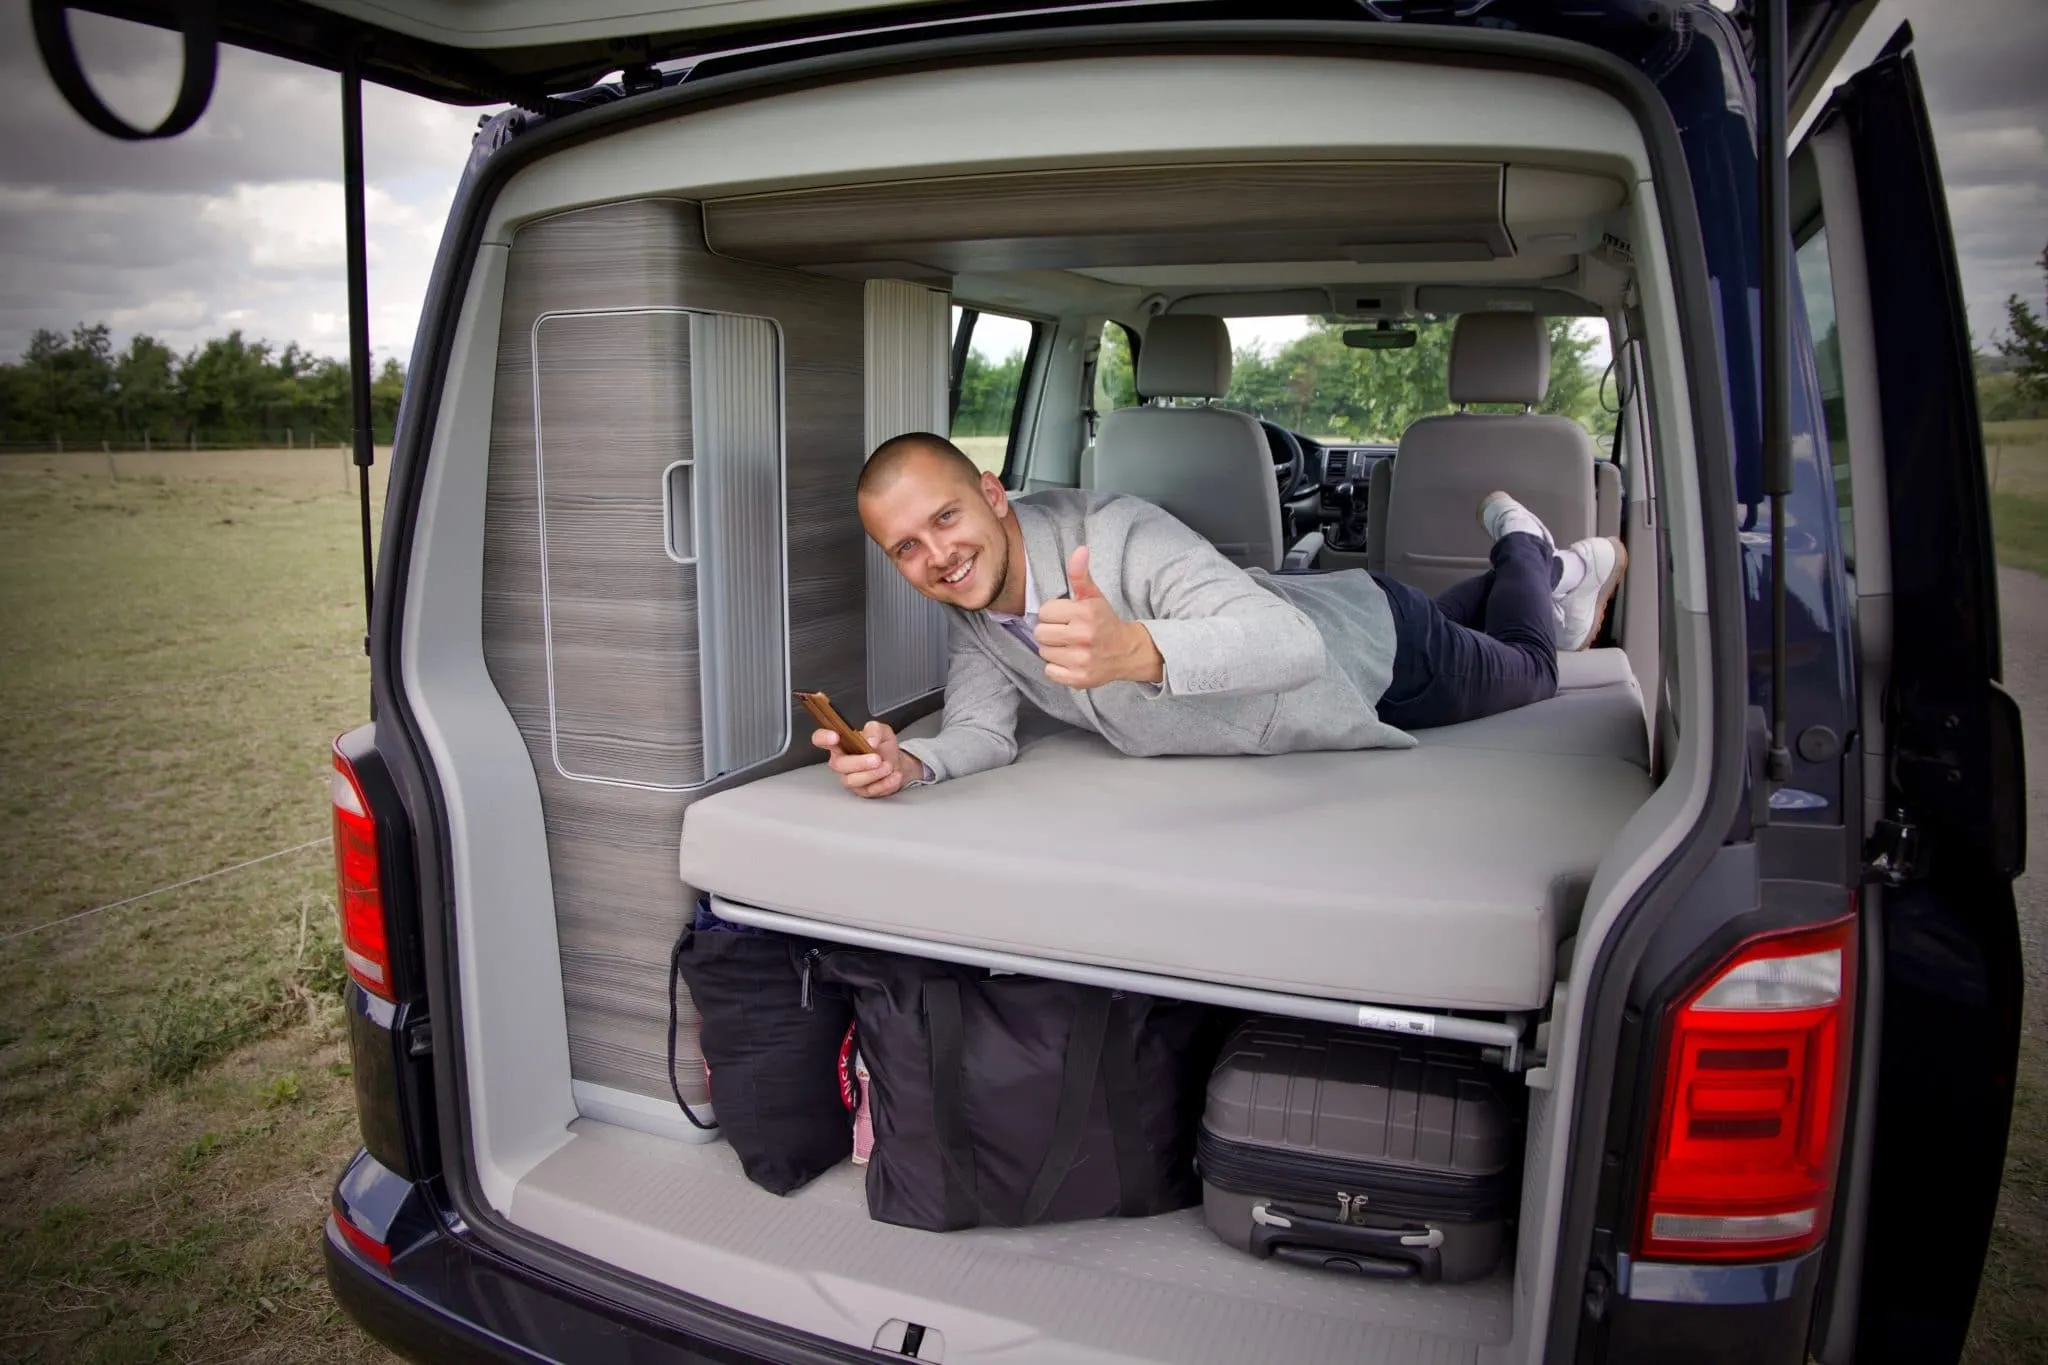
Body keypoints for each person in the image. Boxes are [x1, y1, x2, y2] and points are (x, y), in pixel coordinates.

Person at [818, 432, 1626, 798]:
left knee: (1532, 663)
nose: (939, 556)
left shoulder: (1119, 532)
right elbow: (982, 729)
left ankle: (1532, 550)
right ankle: (1535, 574)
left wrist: (1135, 650)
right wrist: (911, 761)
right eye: (907, 547)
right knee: (1473, 627)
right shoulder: (974, 614)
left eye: (947, 517)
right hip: (1358, 606)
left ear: (993, 493)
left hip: (1381, 657)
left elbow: (1293, 644)